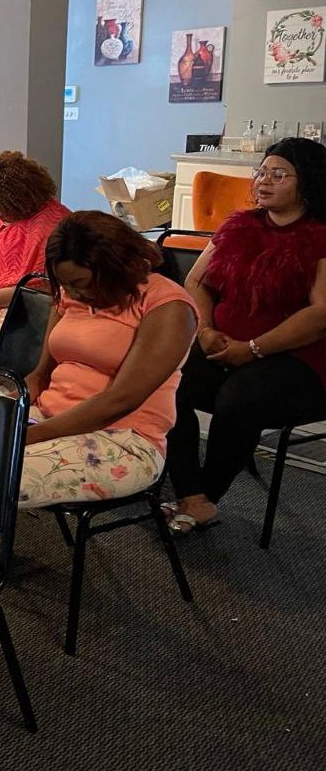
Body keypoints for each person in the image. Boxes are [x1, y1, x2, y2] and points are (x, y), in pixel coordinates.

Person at [0, 211, 198, 550]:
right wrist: (2, 411)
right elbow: (41, 375)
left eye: (80, 283)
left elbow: (120, 401)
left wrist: (23, 436)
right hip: (49, 417)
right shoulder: (71, 294)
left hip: (124, 439)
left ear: (113, 267)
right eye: (66, 285)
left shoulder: (167, 306)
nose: (71, 293)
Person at [164, 139, 326, 535]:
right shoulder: (238, 226)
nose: (264, 181)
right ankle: (191, 494)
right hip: (224, 346)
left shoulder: (320, 236)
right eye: (262, 172)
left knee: (240, 399)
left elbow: (320, 314)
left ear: (307, 182)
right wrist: (205, 330)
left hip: (297, 359)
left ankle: (206, 495)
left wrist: (252, 349)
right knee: (166, 380)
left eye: (279, 174)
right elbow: (196, 281)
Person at [0, 151, 70, 359]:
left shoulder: (57, 226)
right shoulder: (0, 216)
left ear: (18, 199)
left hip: (25, 307)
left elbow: (44, 289)